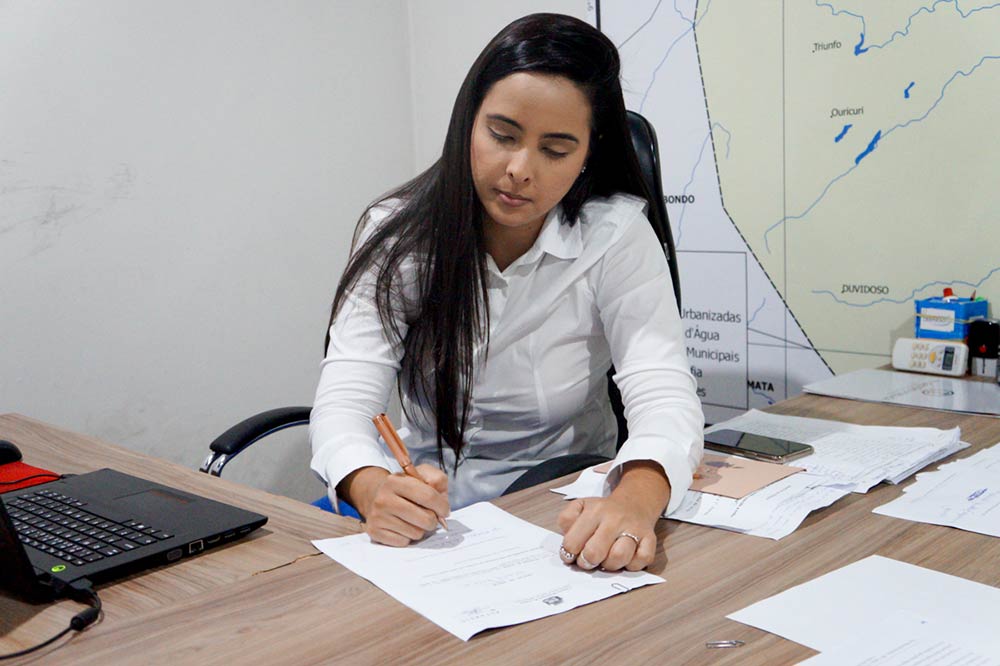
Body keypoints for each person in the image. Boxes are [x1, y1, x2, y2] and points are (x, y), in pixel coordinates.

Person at [309, 13, 703, 572]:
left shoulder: (614, 237)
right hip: (424, 514)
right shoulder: (397, 236)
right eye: (503, 135)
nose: (519, 169)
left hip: (560, 509)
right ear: (469, 123)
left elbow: (663, 391)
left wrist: (634, 502)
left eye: (556, 149)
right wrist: (371, 487)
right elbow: (345, 403)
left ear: (589, 153)